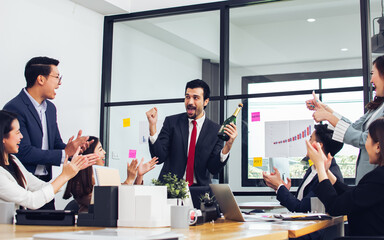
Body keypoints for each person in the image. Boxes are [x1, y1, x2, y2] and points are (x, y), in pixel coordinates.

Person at [3, 56, 91, 209]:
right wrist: (65, 154)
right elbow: (24, 151)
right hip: (21, 182)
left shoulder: (50, 109)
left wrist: (73, 150)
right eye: (57, 77)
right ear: (41, 79)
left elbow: (56, 145)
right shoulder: (15, 107)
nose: (60, 82)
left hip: (44, 181)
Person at [306, 56, 384, 183]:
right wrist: (326, 109)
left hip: (376, 180)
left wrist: (328, 116)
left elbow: (365, 139)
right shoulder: (377, 107)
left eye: (373, 73)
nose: (371, 80)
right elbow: (353, 127)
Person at [146, 79, 238, 186]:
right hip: (170, 189)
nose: (190, 102)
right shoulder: (172, 122)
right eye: (187, 97)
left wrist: (228, 145)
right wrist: (152, 127)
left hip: (199, 191)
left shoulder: (215, 130)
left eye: (196, 98)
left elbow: (213, 168)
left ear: (206, 101)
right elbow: (159, 157)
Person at [0, 110, 93, 210]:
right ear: (3, 137)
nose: (21, 136)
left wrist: (71, 170)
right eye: (17, 132)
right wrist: (65, 175)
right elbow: (32, 201)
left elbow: (41, 186)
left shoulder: (13, 160)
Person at [307, 117, 384, 236]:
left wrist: (320, 167)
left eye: (367, 139)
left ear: (378, 147)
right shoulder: (378, 177)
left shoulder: (378, 177)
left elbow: (335, 206)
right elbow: (355, 195)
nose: (364, 146)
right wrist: (327, 172)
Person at [63, 136, 158, 213]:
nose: (104, 152)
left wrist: (139, 176)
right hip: (91, 229)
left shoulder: (106, 174)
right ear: (89, 153)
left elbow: (129, 198)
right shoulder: (80, 181)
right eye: (100, 149)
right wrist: (129, 180)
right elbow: (110, 202)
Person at [263, 124, 344, 213]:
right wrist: (284, 190)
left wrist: (279, 186)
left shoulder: (328, 175)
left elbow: (302, 209)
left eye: (310, 139)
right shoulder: (312, 169)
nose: (307, 144)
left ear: (318, 145)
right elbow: (301, 202)